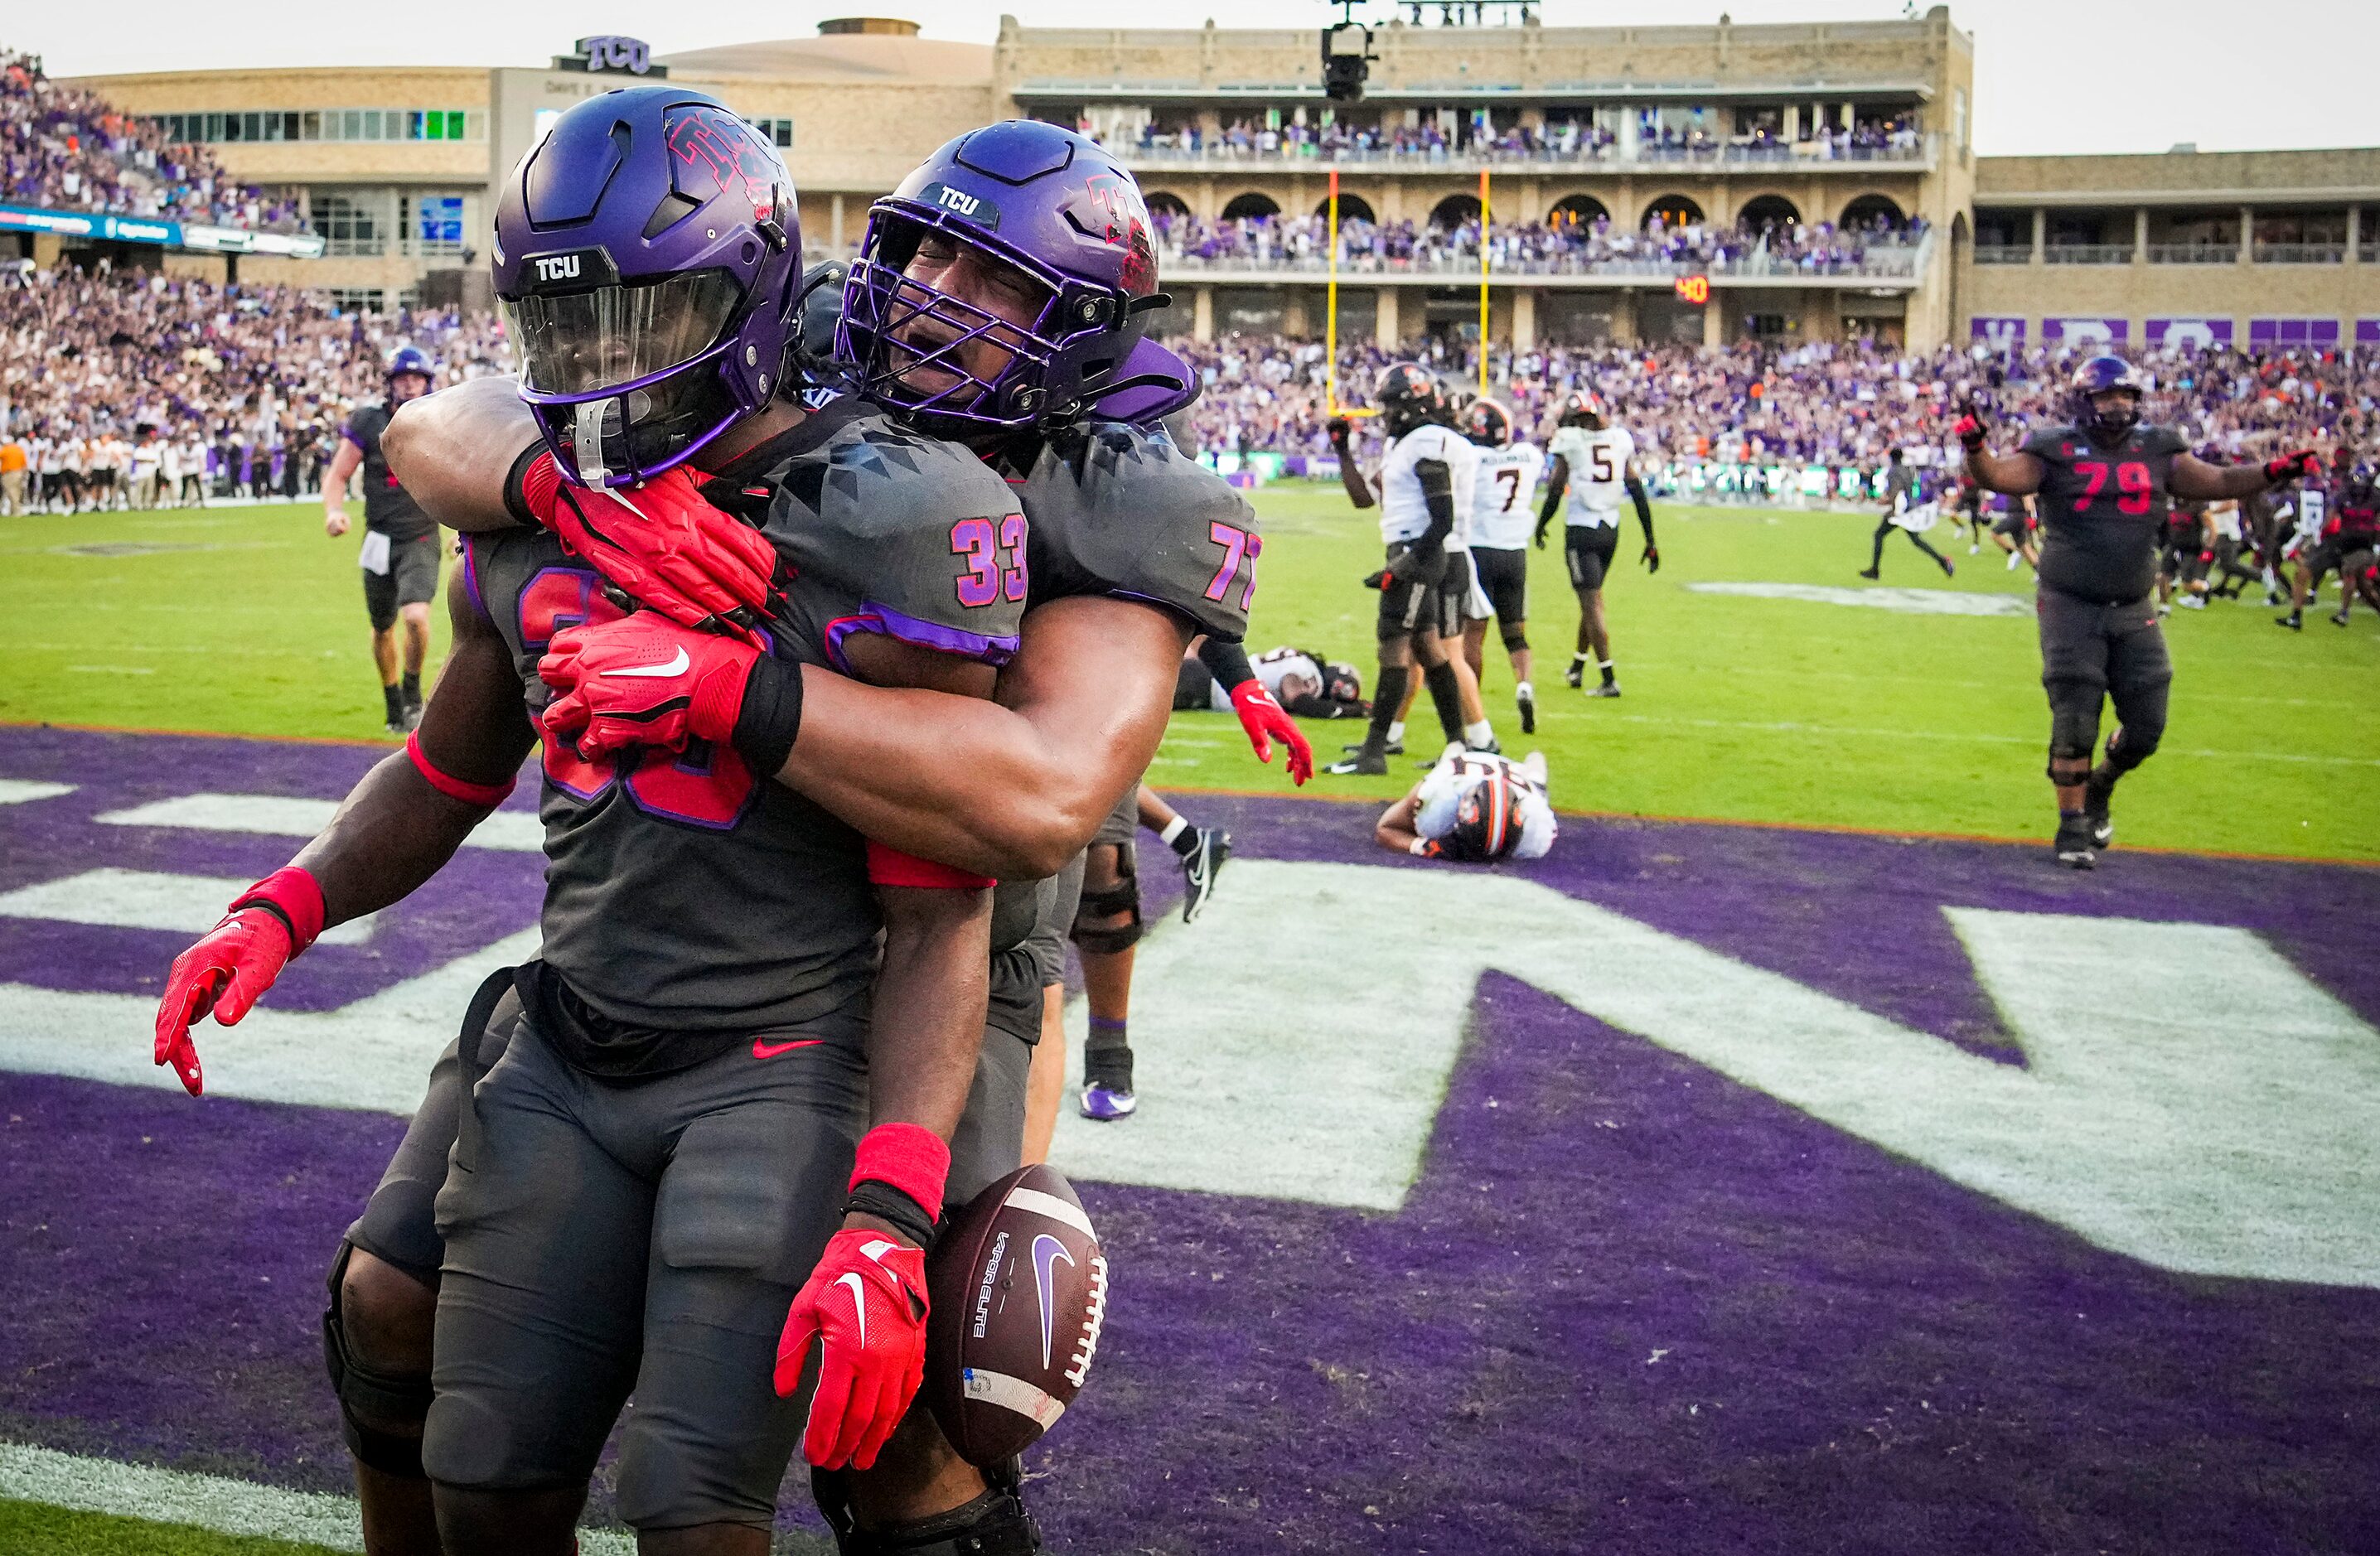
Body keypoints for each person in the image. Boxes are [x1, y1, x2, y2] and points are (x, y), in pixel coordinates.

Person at [373, 112, 1270, 1555]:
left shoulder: (1119, 493)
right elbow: (444, 422)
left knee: (901, 1419)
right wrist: (556, 489)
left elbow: (1035, 798)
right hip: (689, 914)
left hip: (944, 951)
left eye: (994, 286)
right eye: (923, 251)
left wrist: (732, 685)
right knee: (396, 1292)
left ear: (1085, 328)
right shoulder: (792, 350)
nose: (932, 296)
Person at [1958, 355, 2317, 868]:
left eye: (2125, 395)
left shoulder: (2159, 447)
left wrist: (2273, 472)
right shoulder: (2052, 448)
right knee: (2076, 715)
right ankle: (2072, 826)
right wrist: (1975, 447)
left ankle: (2101, 785)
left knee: (2147, 725)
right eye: (2107, 396)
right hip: (2069, 602)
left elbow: (2216, 481)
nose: (2118, 405)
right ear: (2085, 400)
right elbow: (1996, 476)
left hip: (2133, 604)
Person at [1325, 362, 1495, 775]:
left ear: (1412, 405)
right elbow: (1365, 500)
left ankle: (1375, 753)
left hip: (1420, 552)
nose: (1385, 414)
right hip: (1418, 549)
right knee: (1428, 649)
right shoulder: (1416, 442)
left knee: (1393, 644)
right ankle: (1456, 742)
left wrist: (1403, 566)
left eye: (1391, 406)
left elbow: (1442, 519)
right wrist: (1343, 450)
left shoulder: (1427, 442)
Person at [323, 346, 440, 732]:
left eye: (416, 377)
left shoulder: (441, 421)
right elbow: (339, 473)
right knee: (381, 626)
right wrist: (333, 511)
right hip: (378, 537)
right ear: (390, 383)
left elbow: (459, 480)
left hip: (419, 536)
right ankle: (393, 703)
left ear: (427, 382)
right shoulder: (369, 421)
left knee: (417, 618)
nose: (409, 384)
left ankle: (412, 693)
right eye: (402, 378)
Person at [1536, 389, 1658, 698]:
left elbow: (1555, 488)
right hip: (1611, 529)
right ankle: (1577, 667)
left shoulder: (1571, 441)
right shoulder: (1617, 439)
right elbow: (1636, 488)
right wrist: (1650, 538)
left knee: (1591, 604)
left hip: (1582, 528)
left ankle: (1608, 677)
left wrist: (1541, 524)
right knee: (1592, 601)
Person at [1459, 395, 1545, 733]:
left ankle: (1472, 710)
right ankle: (1524, 684)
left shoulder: (1472, 457)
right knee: (1515, 633)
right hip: (1515, 552)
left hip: (1480, 550)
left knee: (1473, 636)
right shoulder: (1530, 456)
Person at [1373, 743, 1557, 863]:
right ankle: (1456, 746)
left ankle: (1535, 756)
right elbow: (1386, 828)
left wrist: (1423, 846)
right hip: (1459, 770)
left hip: (1516, 779)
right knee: (1452, 753)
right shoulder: (1440, 798)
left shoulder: (1535, 824)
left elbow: (1387, 831)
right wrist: (1421, 846)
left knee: (1537, 771)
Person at [2276, 458, 2378, 630]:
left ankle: (2344, 613)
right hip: (2339, 543)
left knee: (2356, 577)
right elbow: (2330, 517)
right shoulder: (2344, 495)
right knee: (2302, 573)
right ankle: (2296, 616)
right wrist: (2319, 535)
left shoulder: (2376, 497)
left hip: (2363, 546)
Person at [1859, 447, 1955, 581]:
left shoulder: (1893, 472)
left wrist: (1887, 503)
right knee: (1916, 540)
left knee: (1879, 535)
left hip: (1900, 512)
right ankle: (1943, 561)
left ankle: (1875, 570)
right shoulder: (1907, 470)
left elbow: (1896, 491)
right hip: (1910, 509)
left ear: (1891, 458)